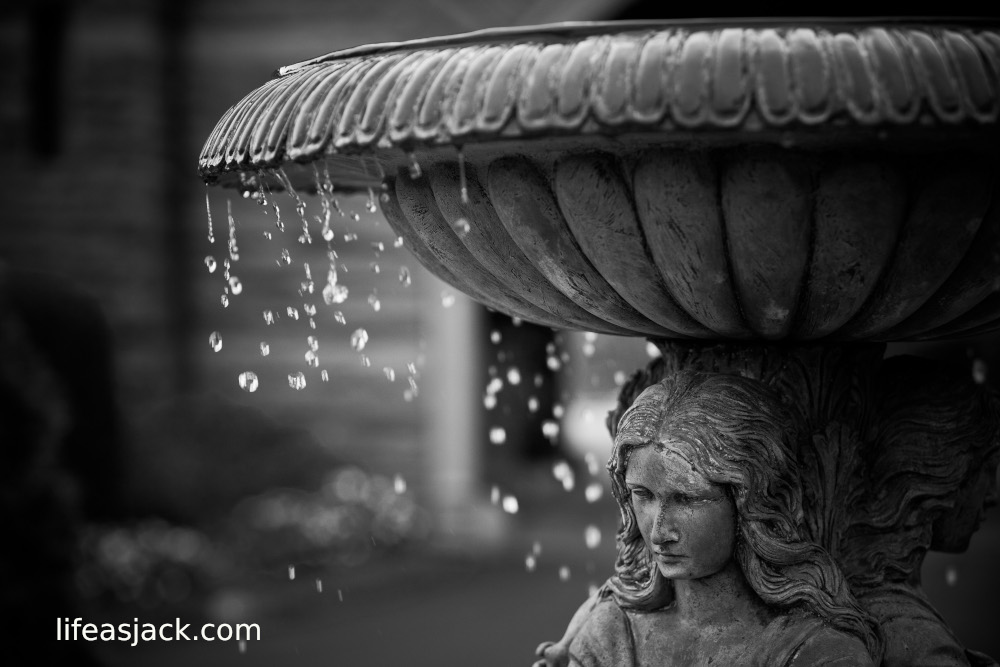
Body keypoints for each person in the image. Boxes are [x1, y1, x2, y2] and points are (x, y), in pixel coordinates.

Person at [535, 371, 882, 667]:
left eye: (686, 499)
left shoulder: (816, 653)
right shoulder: (610, 636)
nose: (659, 531)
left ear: (748, 502)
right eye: (643, 495)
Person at [841, 356, 1000, 667]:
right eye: (988, 468)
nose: (993, 495)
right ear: (942, 473)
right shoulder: (922, 645)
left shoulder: (868, 602)